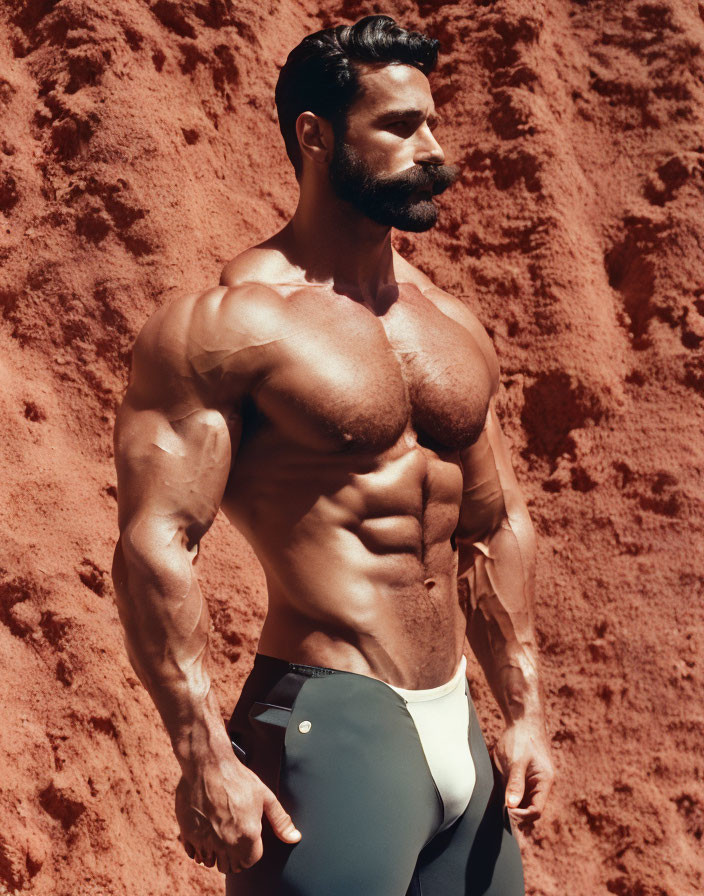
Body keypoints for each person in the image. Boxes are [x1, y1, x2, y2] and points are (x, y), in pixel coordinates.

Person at [111, 14, 555, 895]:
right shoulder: (234, 324)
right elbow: (154, 544)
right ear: (314, 136)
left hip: (459, 731)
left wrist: (526, 708)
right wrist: (202, 753)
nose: (434, 150)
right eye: (399, 126)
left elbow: (495, 522)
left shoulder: (451, 326)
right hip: (334, 723)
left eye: (431, 120)